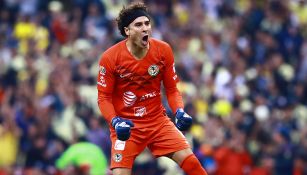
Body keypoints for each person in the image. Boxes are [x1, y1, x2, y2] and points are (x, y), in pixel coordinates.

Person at [97, 2, 208, 175]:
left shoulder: (163, 50)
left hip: (157, 121)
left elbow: (172, 89)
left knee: (192, 163)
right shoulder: (110, 58)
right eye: (139, 25)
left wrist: (179, 110)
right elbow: (103, 98)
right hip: (127, 126)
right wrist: (115, 121)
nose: (145, 28)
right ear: (127, 31)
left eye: (147, 23)